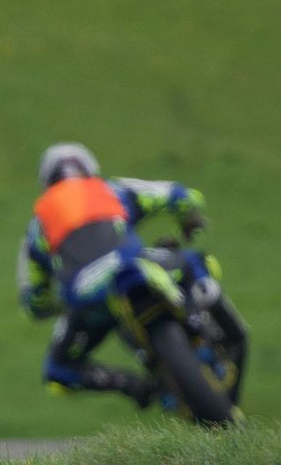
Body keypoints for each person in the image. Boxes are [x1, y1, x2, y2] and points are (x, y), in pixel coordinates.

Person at [17, 141, 206, 406]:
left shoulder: (37, 228)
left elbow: (34, 300)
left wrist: (52, 307)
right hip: (133, 266)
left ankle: (132, 385)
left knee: (58, 371)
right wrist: (190, 223)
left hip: (87, 296)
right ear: (89, 169)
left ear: (46, 181)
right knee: (195, 261)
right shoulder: (113, 189)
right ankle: (201, 324)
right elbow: (179, 196)